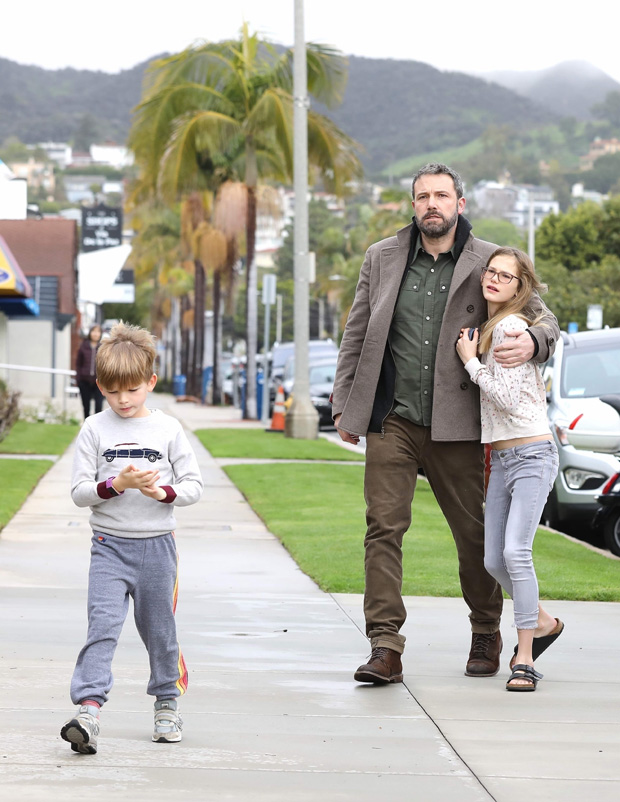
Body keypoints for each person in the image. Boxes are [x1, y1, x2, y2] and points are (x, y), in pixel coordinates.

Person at [331, 163, 559, 684]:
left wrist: (536, 341)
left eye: (441, 195)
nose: (431, 204)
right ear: (412, 205)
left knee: (474, 534)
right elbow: (357, 332)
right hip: (392, 418)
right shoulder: (382, 257)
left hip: (461, 423)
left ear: (460, 203)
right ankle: (385, 646)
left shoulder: (490, 261)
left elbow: (543, 318)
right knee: (383, 529)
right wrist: (344, 402)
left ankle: (486, 629)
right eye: (422, 196)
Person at [60, 322, 203, 753]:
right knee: (101, 629)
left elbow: (194, 486)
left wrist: (163, 492)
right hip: (108, 547)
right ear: (100, 385)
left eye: (133, 390)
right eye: (113, 391)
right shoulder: (94, 429)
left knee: (160, 631)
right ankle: (88, 710)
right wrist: (117, 484)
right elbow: (80, 493)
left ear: (150, 382)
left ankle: (166, 702)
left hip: (158, 547)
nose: (123, 400)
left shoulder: (169, 430)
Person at [456, 248, 564, 691]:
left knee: (516, 553)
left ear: (520, 288)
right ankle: (543, 622)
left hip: (533, 455)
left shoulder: (512, 328)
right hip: (502, 458)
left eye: (506, 276)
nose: (495, 280)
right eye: (492, 272)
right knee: (492, 558)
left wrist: (469, 361)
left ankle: (524, 659)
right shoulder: (491, 327)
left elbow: (508, 399)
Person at [75, 324, 105, 418]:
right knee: (86, 407)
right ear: (90, 333)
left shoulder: (103, 348)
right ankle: (87, 428)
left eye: (98, 332)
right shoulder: (83, 346)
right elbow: (78, 364)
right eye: (94, 331)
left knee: (98, 407)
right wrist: (79, 379)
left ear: (100, 334)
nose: (95, 334)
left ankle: (97, 430)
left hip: (99, 383)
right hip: (84, 381)